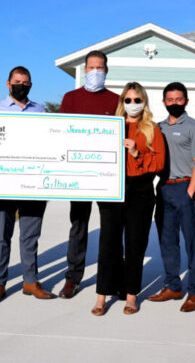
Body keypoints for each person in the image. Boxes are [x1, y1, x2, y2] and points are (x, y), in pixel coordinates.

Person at [91, 82, 165, 316]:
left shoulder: (152, 129)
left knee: (135, 244)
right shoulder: (111, 127)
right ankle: (102, 295)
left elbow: (160, 164)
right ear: (122, 102)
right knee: (108, 244)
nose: (132, 104)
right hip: (113, 188)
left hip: (141, 190)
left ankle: (131, 296)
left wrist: (137, 153)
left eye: (137, 100)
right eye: (128, 100)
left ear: (144, 102)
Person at [0, 66, 55, 303]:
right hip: (3, 184)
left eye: (25, 83)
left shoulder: (42, 111)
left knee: (30, 236)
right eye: (17, 81)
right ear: (8, 83)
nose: (21, 85)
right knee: (1, 236)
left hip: (33, 184)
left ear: (30, 85)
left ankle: (30, 281)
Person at [58, 50, 119, 299]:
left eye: (101, 68)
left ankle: (112, 278)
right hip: (79, 176)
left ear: (106, 71)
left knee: (111, 229)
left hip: (107, 176)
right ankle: (73, 277)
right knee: (79, 227)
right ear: (85, 70)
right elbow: (60, 133)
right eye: (92, 67)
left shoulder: (116, 100)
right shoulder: (71, 98)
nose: (96, 72)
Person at [149, 82, 195, 312]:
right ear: (164, 102)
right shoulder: (158, 128)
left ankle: (194, 292)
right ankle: (172, 285)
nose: (174, 103)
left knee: (192, 243)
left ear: (186, 101)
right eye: (170, 100)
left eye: (179, 99)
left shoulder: (194, 127)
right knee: (167, 240)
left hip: (184, 188)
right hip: (163, 189)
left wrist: (190, 193)